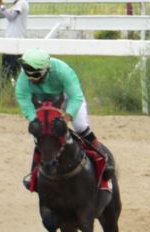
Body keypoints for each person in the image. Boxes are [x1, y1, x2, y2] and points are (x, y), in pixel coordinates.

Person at [16, 49, 113, 192]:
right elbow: (23, 97)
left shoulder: (62, 71)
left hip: (68, 99)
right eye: (28, 74)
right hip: (44, 101)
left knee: (80, 126)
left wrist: (67, 117)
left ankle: (103, 158)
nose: (30, 78)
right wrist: (33, 119)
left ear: (46, 69)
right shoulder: (25, 77)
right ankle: (34, 174)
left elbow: (76, 97)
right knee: (42, 133)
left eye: (35, 75)